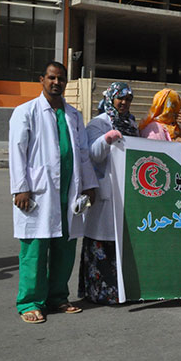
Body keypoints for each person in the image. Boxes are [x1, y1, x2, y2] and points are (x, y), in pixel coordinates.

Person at [9, 62, 99, 323]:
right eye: (51, 78)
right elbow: (17, 151)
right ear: (42, 80)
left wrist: (89, 184)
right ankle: (30, 302)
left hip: (69, 192)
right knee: (35, 250)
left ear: (66, 82)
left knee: (64, 248)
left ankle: (58, 297)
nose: (56, 82)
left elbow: (83, 152)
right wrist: (21, 187)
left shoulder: (73, 115)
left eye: (61, 79)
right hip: (39, 192)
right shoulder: (26, 111)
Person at [80, 82, 139, 304]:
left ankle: (122, 291)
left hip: (126, 190)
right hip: (105, 191)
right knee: (102, 240)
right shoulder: (99, 123)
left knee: (122, 241)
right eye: (120, 98)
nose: (124, 103)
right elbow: (93, 154)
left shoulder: (131, 123)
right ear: (111, 99)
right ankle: (99, 293)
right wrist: (106, 139)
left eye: (128, 99)